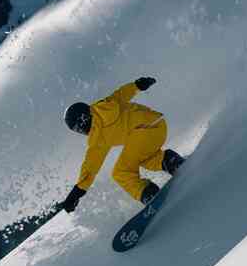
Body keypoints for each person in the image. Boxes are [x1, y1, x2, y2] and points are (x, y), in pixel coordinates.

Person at [60, 77, 183, 213]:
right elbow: (121, 94)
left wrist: (76, 193)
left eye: (77, 128)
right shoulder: (105, 105)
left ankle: (148, 194)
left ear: (82, 120)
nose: (81, 132)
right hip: (158, 124)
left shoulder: (97, 139)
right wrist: (138, 85)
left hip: (143, 132)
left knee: (120, 172)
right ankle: (170, 161)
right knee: (144, 159)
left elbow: (90, 169)